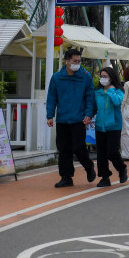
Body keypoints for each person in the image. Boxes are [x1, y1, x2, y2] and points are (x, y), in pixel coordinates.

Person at [46, 49, 97, 188]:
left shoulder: (85, 76)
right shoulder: (57, 77)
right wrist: (50, 115)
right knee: (64, 149)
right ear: (66, 61)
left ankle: (88, 166)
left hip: (79, 119)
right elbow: (51, 97)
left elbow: (89, 97)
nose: (77, 64)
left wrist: (88, 114)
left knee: (79, 147)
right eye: (74, 61)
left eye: (79, 61)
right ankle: (66, 177)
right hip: (62, 119)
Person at [93, 67, 128, 187]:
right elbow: (93, 107)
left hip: (114, 125)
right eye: (101, 76)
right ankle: (105, 177)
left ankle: (122, 168)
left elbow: (117, 102)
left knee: (112, 152)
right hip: (100, 126)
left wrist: (111, 91)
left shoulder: (118, 91)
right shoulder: (97, 92)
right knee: (101, 153)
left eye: (105, 76)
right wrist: (88, 116)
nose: (102, 79)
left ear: (112, 78)